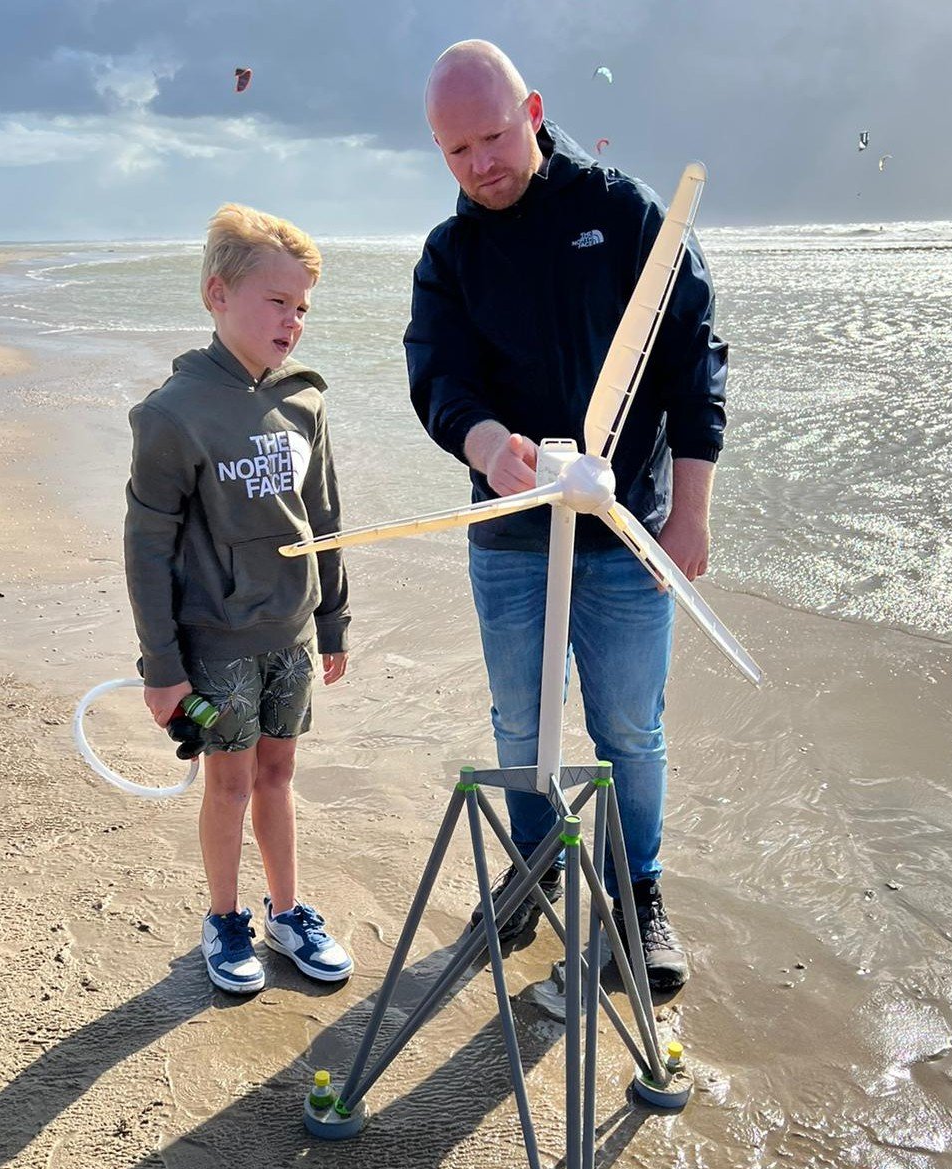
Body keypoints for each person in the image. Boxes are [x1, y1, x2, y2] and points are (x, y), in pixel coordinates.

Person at [404, 41, 728, 997]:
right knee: (518, 720)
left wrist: (692, 515)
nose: (480, 166)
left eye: (495, 138)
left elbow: (694, 362)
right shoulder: (449, 253)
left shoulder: (625, 215)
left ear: (535, 109)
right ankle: (533, 868)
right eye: (455, 151)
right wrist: (483, 441)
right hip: (510, 538)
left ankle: (639, 897)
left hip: (629, 535)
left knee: (629, 726)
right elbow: (436, 374)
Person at [124, 203, 353, 995]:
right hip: (216, 641)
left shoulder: (306, 400)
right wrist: (162, 668)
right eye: (275, 301)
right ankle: (225, 920)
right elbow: (147, 546)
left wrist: (332, 620)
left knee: (279, 774)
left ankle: (287, 913)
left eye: (302, 307)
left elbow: (322, 518)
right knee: (228, 781)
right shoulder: (171, 413)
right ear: (218, 294)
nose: (291, 321)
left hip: (289, 632)